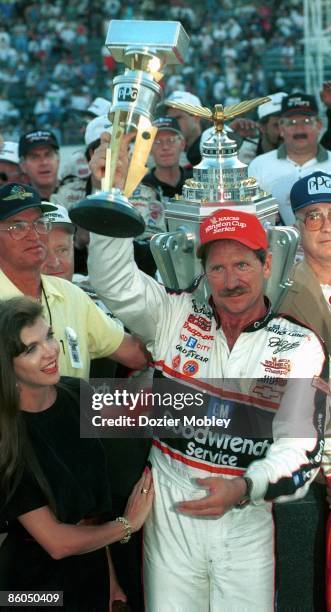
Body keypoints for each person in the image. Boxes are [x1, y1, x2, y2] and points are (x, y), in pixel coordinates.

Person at [88, 137, 328, 610]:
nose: (231, 279)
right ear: (202, 272)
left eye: (242, 264)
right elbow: (114, 282)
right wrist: (110, 198)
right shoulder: (173, 316)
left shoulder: (299, 344)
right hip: (172, 517)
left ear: (266, 264)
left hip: (248, 516)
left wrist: (244, 486)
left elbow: (300, 449)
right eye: (216, 267)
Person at [0, 296, 154, 611]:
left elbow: (90, 511)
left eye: (48, 336)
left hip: (89, 571)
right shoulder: (7, 437)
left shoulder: (75, 393)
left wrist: (108, 580)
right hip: (30, 592)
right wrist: (129, 524)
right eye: (31, 349)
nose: (50, 350)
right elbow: (56, 543)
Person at [0, 182, 149, 379]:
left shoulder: (70, 294)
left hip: (75, 410)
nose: (33, 235)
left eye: (39, 223)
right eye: (17, 226)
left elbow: (136, 355)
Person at [248, 92, 331, 225]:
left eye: (306, 121)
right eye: (291, 122)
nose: (299, 129)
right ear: (281, 128)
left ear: (319, 125)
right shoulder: (259, 165)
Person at [142, 116, 192, 199]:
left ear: (182, 144)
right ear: (149, 148)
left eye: (171, 140)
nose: (165, 147)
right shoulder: (143, 188)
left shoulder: (196, 181)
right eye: (157, 142)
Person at [19, 130, 60, 200]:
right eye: (34, 157)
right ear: (23, 166)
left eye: (48, 155)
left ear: (58, 160)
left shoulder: (79, 194)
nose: (44, 162)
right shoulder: (16, 203)